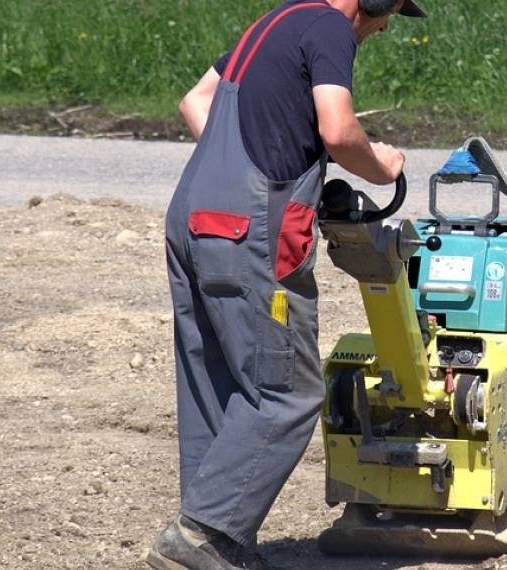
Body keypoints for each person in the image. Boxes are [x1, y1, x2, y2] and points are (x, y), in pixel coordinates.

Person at [149, 1, 427, 569]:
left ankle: (209, 541)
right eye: (390, 9)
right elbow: (338, 128)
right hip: (251, 231)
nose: (387, 24)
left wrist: (240, 170)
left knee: (218, 382)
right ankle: (203, 532)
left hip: (192, 217)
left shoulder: (273, 21)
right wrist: (383, 164)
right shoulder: (329, 27)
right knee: (288, 391)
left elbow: (195, 101)